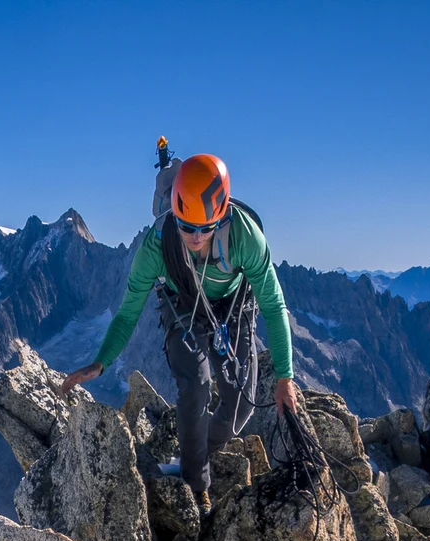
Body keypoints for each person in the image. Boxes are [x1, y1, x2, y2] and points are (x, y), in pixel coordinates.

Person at [60, 152, 297, 504]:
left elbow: (275, 307)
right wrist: (101, 362)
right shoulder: (157, 245)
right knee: (195, 387)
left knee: (241, 406)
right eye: (187, 227)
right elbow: (127, 314)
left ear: (222, 213)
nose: (196, 237)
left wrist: (285, 377)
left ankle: (191, 454)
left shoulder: (246, 236)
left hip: (233, 307)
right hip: (183, 304)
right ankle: (196, 485)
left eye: (205, 228)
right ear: (174, 214)